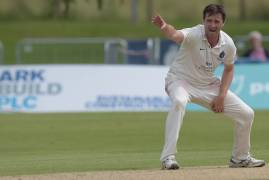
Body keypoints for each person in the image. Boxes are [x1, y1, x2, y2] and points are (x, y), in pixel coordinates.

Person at [152, 4, 266, 170]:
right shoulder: (193, 33)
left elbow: (229, 69)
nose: (212, 25)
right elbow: (175, 35)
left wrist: (221, 96)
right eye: (209, 20)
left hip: (208, 85)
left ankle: (240, 158)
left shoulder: (228, 44)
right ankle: (168, 158)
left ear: (223, 23)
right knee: (179, 101)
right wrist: (164, 26)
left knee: (247, 114)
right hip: (180, 80)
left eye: (216, 21)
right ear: (203, 21)